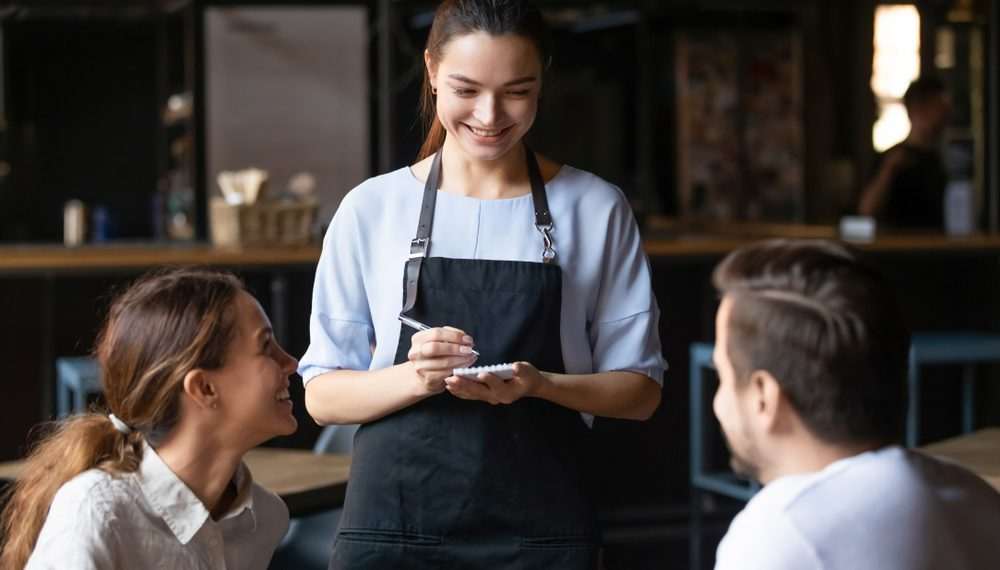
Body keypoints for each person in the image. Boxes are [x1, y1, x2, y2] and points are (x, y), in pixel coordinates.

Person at [299, 0, 665, 567]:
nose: (490, 115)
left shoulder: (595, 208)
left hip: (543, 532)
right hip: (394, 532)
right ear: (431, 72)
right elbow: (322, 396)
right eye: (466, 90)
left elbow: (640, 392)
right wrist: (415, 377)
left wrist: (542, 384)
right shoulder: (371, 209)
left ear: (543, 78)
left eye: (517, 91)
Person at [710, 239, 1000, 570]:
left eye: (722, 376)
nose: (717, 403)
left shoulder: (781, 535)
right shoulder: (979, 501)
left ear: (764, 396)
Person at [0, 269, 299, 569]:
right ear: (204, 388)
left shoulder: (266, 518)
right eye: (265, 346)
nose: (291, 363)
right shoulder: (98, 512)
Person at [858, 76, 952, 229]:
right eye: (939, 107)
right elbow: (866, 210)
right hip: (901, 247)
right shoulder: (893, 158)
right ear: (918, 110)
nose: (945, 115)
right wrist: (889, 170)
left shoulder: (942, 160)